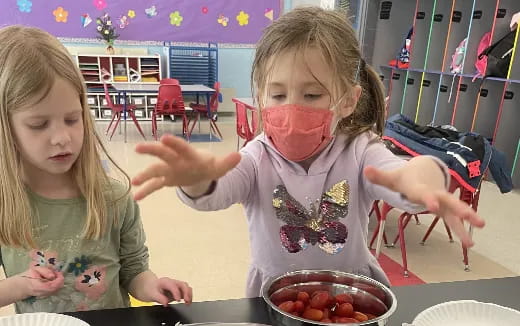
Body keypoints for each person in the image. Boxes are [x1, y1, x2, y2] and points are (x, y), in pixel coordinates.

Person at [132, 7, 484, 297]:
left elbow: (399, 175)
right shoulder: (256, 157)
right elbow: (216, 192)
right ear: (260, 97)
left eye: (312, 96)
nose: (292, 108)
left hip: (349, 297)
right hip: (274, 298)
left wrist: (425, 179)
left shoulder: (360, 151)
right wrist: (198, 180)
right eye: (278, 94)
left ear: (347, 101)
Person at [0, 25, 192, 313]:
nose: (62, 137)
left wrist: (151, 285)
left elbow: (134, 271)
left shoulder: (113, 198)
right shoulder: (5, 205)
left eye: (72, 119)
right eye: (39, 124)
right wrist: (21, 285)